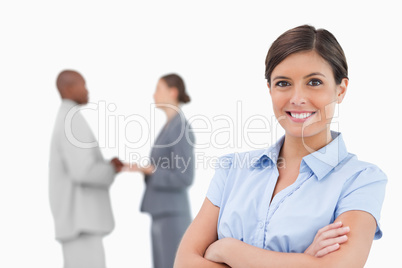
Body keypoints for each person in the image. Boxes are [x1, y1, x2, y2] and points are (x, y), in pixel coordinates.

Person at [174, 25, 387, 268]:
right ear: (270, 89)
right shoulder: (232, 169)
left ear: (341, 89)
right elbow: (184, 262)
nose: (297, 98)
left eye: (314, 82)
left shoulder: (361, 180)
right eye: (283, 83)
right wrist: (303, 260)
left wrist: (226, 249)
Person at [49, 70, 124, 268]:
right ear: (69, 88)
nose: (87, 90)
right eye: (83, 85)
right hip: (81, 223)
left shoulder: (68, 117)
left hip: (79, 222)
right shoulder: (71, 121)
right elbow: (82, 171)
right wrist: (110, 169)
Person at [125, 74, 195, 268]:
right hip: (161, 211)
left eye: (158, 88)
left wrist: (152, 171)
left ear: (172, 92)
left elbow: (185, 177)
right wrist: (146, 170)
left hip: (171, 214)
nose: (154, 94)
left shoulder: (181, 128)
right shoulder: (170, 126)